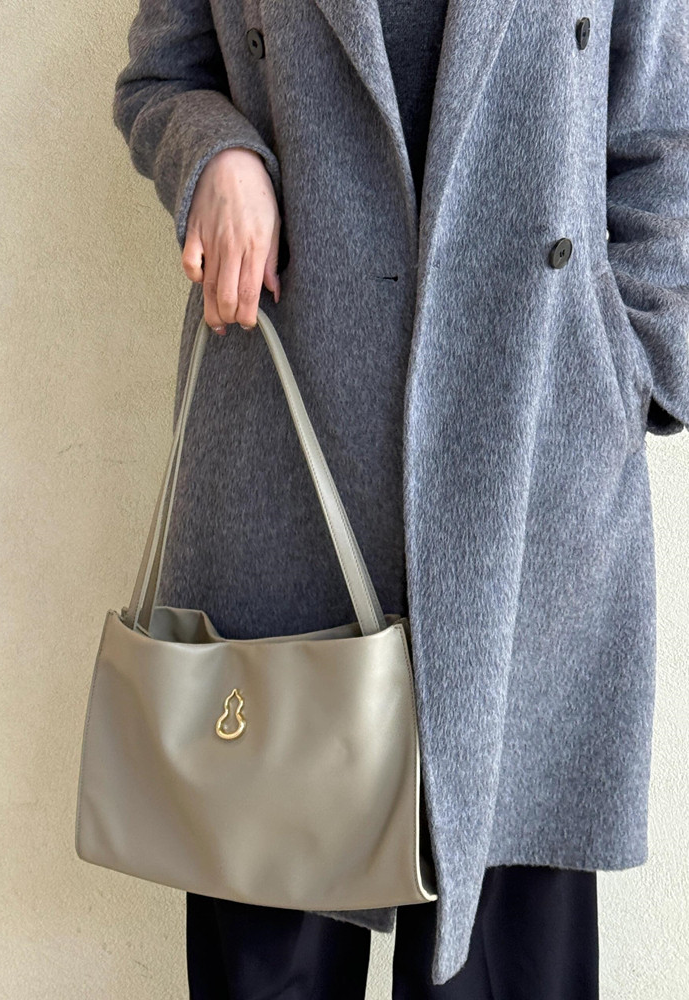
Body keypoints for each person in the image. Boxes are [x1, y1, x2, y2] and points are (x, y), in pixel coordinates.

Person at [110, 0, 689, 995]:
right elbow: (162, 76)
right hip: (292, 469)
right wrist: (215, 153)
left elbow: (664, 133)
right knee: (271, 955)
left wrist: (630, 361)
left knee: (507, 954)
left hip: (527, 471)